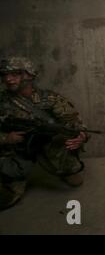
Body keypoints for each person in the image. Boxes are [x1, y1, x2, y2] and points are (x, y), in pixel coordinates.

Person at [0, 57, 87, 210]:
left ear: (30, 75)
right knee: (6, 198)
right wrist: (6, 138)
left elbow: (73, 121)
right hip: (17, 149)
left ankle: (63, 168)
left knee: (65, 138)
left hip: (46, 145)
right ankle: (14, 179)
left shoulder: (49, 99)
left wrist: (81, 136)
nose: (8, 78)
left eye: (15, 73)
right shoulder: (2, 101)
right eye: (5, 74)